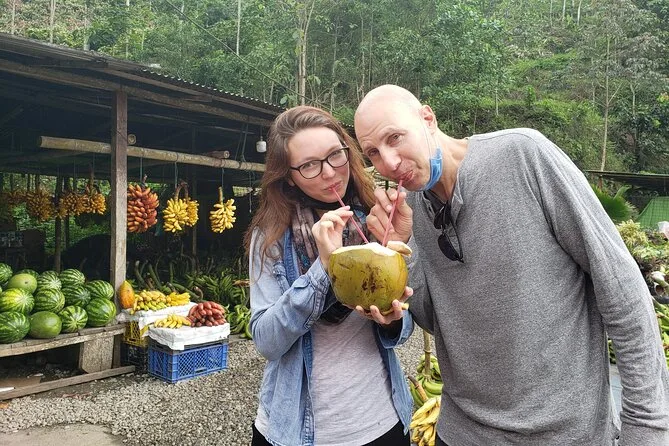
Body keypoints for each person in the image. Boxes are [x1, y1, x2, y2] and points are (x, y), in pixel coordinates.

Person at [353, 84, 669, 446]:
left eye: (395, 138)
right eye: (373, 152)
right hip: (461, 434)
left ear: (427, 119)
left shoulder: (522, 156)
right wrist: (405, 247)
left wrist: (647, 426)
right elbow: (435, 319)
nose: (389, 162)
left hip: (562, 436)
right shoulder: (413, 208)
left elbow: (622, 290)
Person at [244, 105, 414, 446]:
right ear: (289, 175)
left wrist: (392, 319)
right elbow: (266, 341)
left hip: (380, 422)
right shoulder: (271, 237)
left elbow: (405, 325)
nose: (330, 172)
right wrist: (324, 267)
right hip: (296, 432)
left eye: (336, 155)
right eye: (309, 165)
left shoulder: (377, 221)